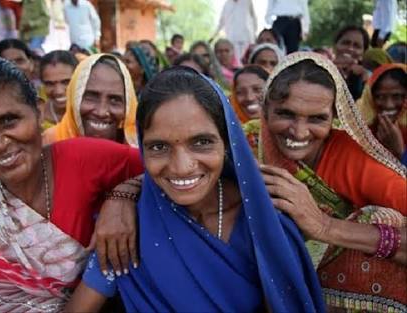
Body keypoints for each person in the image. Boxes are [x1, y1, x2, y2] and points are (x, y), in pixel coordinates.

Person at [65, 66, 325, 312]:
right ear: (142, 148)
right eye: (158, 147)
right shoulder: (127, 227)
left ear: (227, 142)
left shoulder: (266, 223)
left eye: (201, 142)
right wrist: (120, 196)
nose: (181, 167)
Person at [0, 55, 144, 311]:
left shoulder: (82, 159)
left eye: (9, 120)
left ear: (38, 110)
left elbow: (167, 169)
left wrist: (123, 195)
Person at [258, 52, 406, 312]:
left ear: (334, 118)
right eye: (285, 113)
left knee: (381, 218)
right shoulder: (246, 147)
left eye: (317, 118)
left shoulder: (351, 159)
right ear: (265, 110)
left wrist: (324, 226)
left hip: (337, 296)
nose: (299, 132)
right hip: (260, 284)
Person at [43, 53, 138, 147]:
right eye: (91, 97)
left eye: (114, 100)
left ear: (128, 107)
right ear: (74, 98)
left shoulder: (139, 152)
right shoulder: (49, 143)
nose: (101, 112)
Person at [358, 64, 406, 164]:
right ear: (370, 98)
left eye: (397, 96)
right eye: (380, 97)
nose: (389, 105)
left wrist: (400, 152)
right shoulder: (359, 130)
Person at [230, 65, 269, 153]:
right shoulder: (229, 133)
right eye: (240, 92)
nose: (249, 98)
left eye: (257, 89)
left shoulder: (284, 130)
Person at [39, 50, 78, 129]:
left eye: (66, 82)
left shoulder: (93, 115)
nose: (58, 91)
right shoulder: (38, 118)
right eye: (50, 84)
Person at [333, 25, 370, 101]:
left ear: (363, 53)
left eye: (357, 46)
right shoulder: (319, 71)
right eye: (345, 43)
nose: (350, 49)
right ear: (335, 46)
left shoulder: (369, 79)